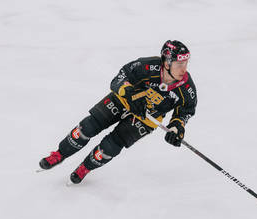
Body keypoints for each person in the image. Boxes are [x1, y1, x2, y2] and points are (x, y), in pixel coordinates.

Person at [39, 40, 198, 184]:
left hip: (146, 118)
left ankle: (85, 168)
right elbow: (119, 77)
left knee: (110, 147)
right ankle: (59, 154)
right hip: (123, 101)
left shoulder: (187, 87)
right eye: (179, 64)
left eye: (186, 64)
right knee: (87, 127)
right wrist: (129, 93)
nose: (183, 69)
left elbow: (186, 110)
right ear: (166, 63)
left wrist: (177, 128)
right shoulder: (147, 66)